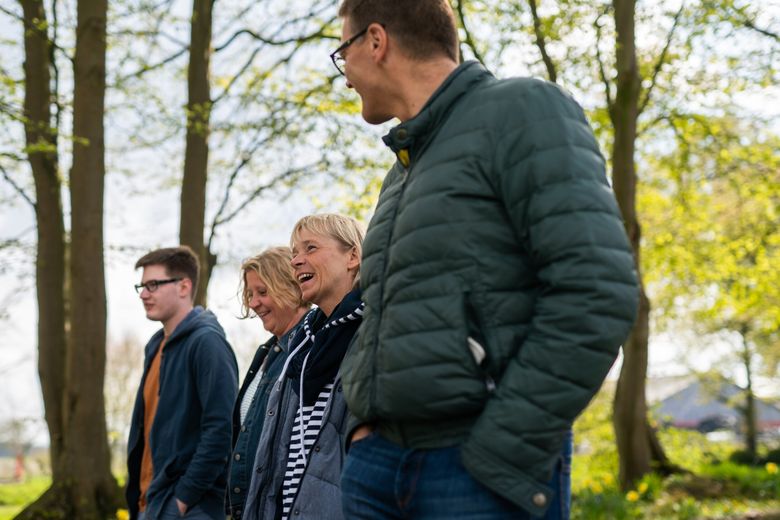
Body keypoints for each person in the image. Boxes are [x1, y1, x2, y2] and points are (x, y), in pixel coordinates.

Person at [332, 1, 639, 518]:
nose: (344, 80)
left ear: (376, 41)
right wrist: (361, 431)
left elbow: (597, 290)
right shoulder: (402, 172)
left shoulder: (523, 109)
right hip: (376, 469)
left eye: (343, 54)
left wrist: (503, 448)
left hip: (475, 470)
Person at [243, 214, 364, 520]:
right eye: (295, 252)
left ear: (352, 256)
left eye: (310, 248)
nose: (296, 260)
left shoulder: (374, 330)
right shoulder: (302, 344)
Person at [126, 246, 238, 520]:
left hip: (187, 507)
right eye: (141, 286)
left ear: (184, 286)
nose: (143, 293)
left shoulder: (207, 343)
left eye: (153, 284)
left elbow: (221, 429)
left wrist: (183, 499)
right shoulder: (156, 346)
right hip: (150, 502)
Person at [227, 247, 309, 519]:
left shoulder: (309, 350)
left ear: (291, 287)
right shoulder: (267, 352)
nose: (253, 303)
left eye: (263, 292)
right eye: (250, 294)